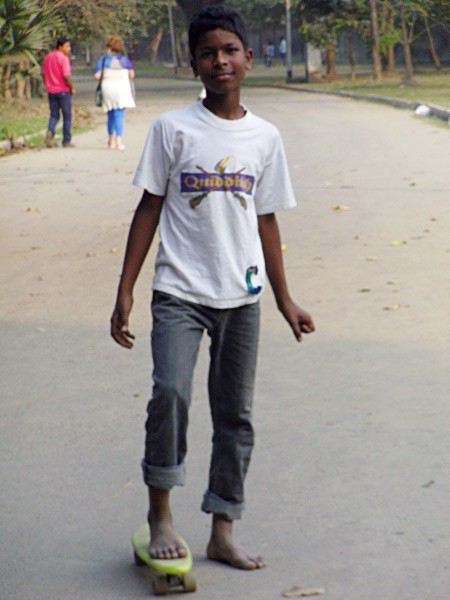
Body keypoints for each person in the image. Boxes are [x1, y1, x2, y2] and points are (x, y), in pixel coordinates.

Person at [110, 5, 315, 571]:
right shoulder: (172, 129)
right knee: (170, 394)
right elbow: (149, 207)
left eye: (229, 51)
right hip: (179, 291)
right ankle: (161, 516)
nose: (220, 61)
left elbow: (266, 219)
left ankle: (223, 528)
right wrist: (126, 289)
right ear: (194, 63)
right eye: (208, 53)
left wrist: (284, 298)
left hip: (242, 297)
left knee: (235, 415)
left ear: (247, 57)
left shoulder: (265, 137)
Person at [94, 36, 135, 150]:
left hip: (107, 90)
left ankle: (110, 141)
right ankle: (119, 141)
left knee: (110, 115)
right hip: (122, 90)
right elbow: (132, 75)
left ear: (108, 47)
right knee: (119, 115)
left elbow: (97, 76)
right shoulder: (125, 60)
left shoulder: (104, 60)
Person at [41, 38, 75, 148]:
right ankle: (66, 141)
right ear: (60, 47)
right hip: (63, 90)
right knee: (67, 116)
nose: (69, 49)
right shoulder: (63, 58)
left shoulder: (48, 57)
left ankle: (50, 131)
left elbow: (43, 73)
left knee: (54, 115)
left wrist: (48, 84)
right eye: (67, 46)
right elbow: (66, 76)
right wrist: (71, 88)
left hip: (51, 91)